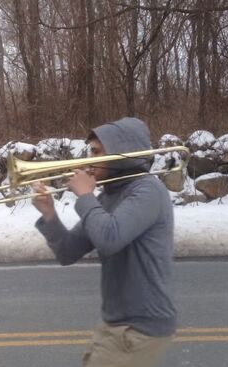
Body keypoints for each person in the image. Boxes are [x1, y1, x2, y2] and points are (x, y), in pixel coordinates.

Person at [32, 117, 176, 367]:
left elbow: (109, 238)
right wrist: (49, 215)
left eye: (97, 152)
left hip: (138, 329)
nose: (89, 159)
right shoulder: (110, 196)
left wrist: (86, 196)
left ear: (122, 153)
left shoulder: (147, 190)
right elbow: (68, 252)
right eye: (90, 151)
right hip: (116, 324)